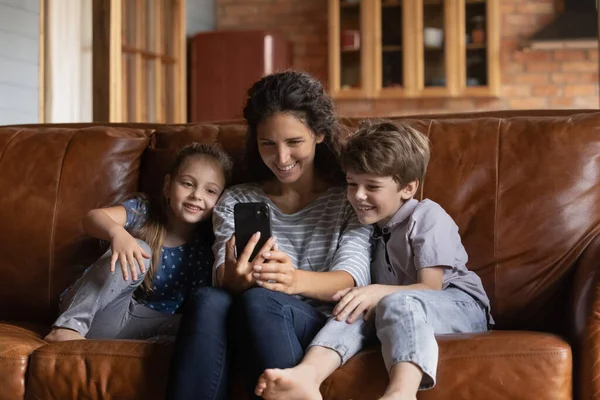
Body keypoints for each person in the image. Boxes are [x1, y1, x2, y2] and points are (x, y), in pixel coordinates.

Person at [165, 71, 373, 400]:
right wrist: (236, 277)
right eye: (268, 144)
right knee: (207, 298)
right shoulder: (236, 199)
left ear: (319, 134)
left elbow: (351, 279)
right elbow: (223, 276)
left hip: (317, 326)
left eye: (294, 142)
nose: (282, 158)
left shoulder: (350, 198)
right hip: (244, 316)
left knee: (261, 299)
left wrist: (292, 281)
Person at [255, 120, 493, 400]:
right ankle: (307, 376)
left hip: (460, 306)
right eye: (352, 184)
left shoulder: (427, 217)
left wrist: (377, 292)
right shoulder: (367, 228)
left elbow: (431, 288)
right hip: (399, 307)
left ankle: (401, 393)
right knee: (353, 306)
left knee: (390, 301)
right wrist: (364, 296)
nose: (358, 196)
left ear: (408, 188)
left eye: (372, 186)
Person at [44, 143, 233, 342]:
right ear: (168, 186)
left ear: (221, 201)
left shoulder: (205, 249)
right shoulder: (143, 211)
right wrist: (117, 233)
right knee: (140, 250)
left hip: (137, 326)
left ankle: (145, 347)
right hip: (97, 310)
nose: (196, 196)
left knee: (204, 324)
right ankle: (67, 327)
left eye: (210, 191)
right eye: (187, 184)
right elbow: (92, 218)